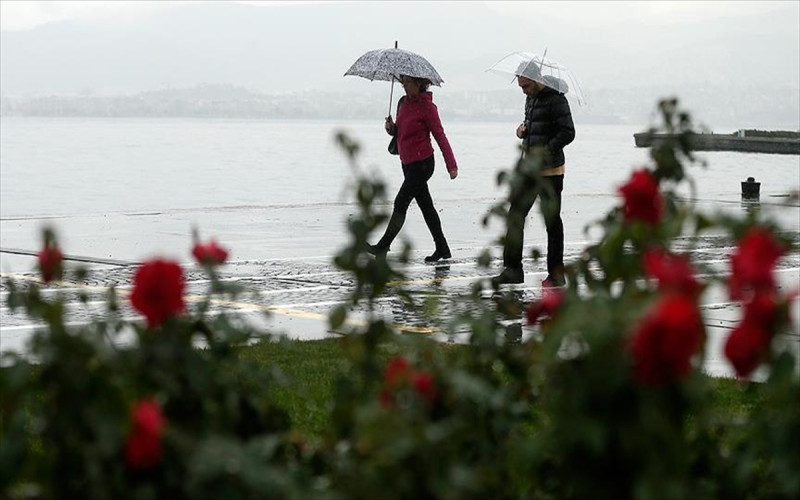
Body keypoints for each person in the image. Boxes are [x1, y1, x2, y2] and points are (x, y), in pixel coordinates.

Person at [493, 60, 575, 287]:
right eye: (520, 87)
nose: (523, 91)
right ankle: (512, 270)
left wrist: (545, 151)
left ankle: (556, 275)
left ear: (537, 79)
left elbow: (568, 132)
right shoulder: (531, 99)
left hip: (551, 171)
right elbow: (532, 124)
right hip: (529, 169)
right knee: (515, 215)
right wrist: (522, 130)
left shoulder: (557, 99)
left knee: (552, 223)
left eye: (526, 86)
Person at [368, 74, 459, 262]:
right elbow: (400, 132)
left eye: (407, 82)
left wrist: (451, 165)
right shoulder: (403, 103)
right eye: (402, 82)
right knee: (426, 206)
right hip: (407, 163)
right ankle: (442, 248)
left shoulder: (427, 106)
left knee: (400, 202)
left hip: (423, 164)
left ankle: (382, 247)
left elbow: (440, 136)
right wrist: (391, 128)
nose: (404, 85)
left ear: (420, 83)